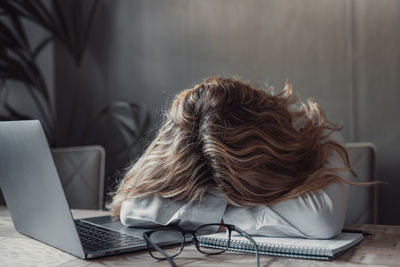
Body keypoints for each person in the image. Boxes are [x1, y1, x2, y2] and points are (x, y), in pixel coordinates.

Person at [110, 77, 356, 239]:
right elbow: (132, 207)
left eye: (233, 191)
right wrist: (225, 215)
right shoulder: (190, 129)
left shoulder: (319, 133)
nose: (225, 193)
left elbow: (321, 223)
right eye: (217, 188)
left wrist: (213, 215)